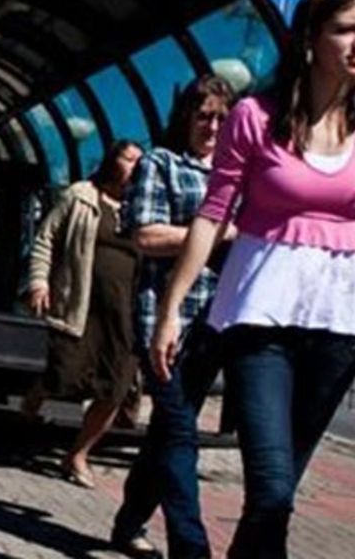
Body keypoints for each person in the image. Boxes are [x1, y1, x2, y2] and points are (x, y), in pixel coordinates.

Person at [152, 0, 355, 558]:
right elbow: (213, 216)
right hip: (261, 321)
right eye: (345, 29)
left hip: (340, 327)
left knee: (279, 496)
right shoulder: (254, 118)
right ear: (311, 40)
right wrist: (172, 310)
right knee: (269, 490)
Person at [110, 74, 238, 559]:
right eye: (203, 115)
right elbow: (144, 235)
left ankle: (127, 524)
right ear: (186, 117)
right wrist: (217, 234)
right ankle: (191, 546)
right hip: (162, 317)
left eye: (223, 118)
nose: (212, 126)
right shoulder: (161, 164)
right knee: (181, 430)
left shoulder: (238, 176)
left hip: (216, 320)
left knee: (167, 430)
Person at [24, 138, 144, 488]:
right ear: (112, 160)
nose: (135, 166)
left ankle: (77, 455)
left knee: (113, 389)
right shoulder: (80, 196)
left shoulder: (143, 208)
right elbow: (46, 238)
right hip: (82, 304)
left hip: (125, 314)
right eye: (129, 158)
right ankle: (35, 398)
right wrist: (39, 282)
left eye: (140, 161)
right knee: (65, 376)